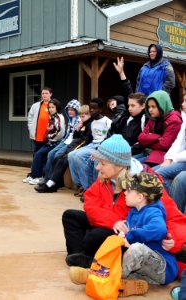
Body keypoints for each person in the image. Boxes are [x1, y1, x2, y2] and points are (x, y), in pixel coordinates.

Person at [62, 134, 186, 270]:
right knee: (70, 216)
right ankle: (80, 257)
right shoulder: (105, 177)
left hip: (129, 236)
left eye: (102, 163)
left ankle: (90, 259)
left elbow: (175, 218)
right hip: (112, 226)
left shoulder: (146, 184)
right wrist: (112, 221)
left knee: (96, 236)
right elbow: (90, 204)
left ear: (118, 165)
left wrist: (173, 240)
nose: (97, 167)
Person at [118, 172, 178, 285]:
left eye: (129, 191)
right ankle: (131, 284)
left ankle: (114, 279)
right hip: (146, 271)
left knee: (137, 249)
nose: (125, 193)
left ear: (140, 197)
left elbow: (159, 229)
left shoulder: (154, 212)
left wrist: (130, 237)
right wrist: (122, 232)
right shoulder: (133, 211)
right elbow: (131, 228)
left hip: (162, 268)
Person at [35, 105, 92, 193]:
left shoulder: (90, 124)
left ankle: (50, 184)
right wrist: (78, 129)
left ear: (89, 115)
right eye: (80, 116)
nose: (81, 118)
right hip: (74, 145)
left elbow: (86, 140)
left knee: (63, 159)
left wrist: (73, 147)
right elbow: (75, 137)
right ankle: (53, 183)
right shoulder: (83, 123)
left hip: (80, 147)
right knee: (57, 157)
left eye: (83, 116)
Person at [67, 98, 111, 197]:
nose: (91, 110)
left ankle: (87, 187)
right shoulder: (92, 123)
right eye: (91, 108)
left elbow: (110, 137)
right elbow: (89, 139)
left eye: (94, 108)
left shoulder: (107, 121)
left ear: (100, 109)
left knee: (79, 156)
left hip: (102, 145)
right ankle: (80, 184)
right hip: (92, 144)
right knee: (71, 155)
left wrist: (99, 148)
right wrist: (81, 147)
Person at [134, 90, 182, 167]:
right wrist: (157, 137)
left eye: (153, 106)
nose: (150, 110)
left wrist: (148, 140)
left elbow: (164, 145)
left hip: (161, 156)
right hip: (149, 152)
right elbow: (141, 137)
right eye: (149, 107)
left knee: (135, 168)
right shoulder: (153, 118)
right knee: (128, 163)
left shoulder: (174, 121)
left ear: (162, 105)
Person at [25, 98, 65, 185]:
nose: (50, 109)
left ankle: (37, 176)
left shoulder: (59, 117)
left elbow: (60, 132)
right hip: (49, 142)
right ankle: (35, 175)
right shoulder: (52, 117)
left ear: (57, 108)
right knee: (38, 154)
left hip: (55, 143)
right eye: (49, 107)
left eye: (53, 107)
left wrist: (49, 137)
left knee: (39, 154)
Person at [155, 93, 186, 192]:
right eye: (183, 101)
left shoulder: (175, 119)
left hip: (182, 159)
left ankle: (173, 205)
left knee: (160, 174)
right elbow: (178, 142)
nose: (182, 104)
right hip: (179, 158)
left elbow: (164, 143)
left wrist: (174, 159)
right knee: (151, 172)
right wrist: (169, 159)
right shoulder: (185, 121)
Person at [24, 87, 52, 183]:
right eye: (43, 93)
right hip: (37, 135)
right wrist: (30, 128)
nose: (44, 95)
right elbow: (30, 117)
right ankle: (35, 174)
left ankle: (41, 175)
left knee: (44, 156)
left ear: (50, 94)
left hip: (47, 137)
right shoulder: (36, 105)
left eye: (46, 93)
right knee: (36, 155)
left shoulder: (52, 105)